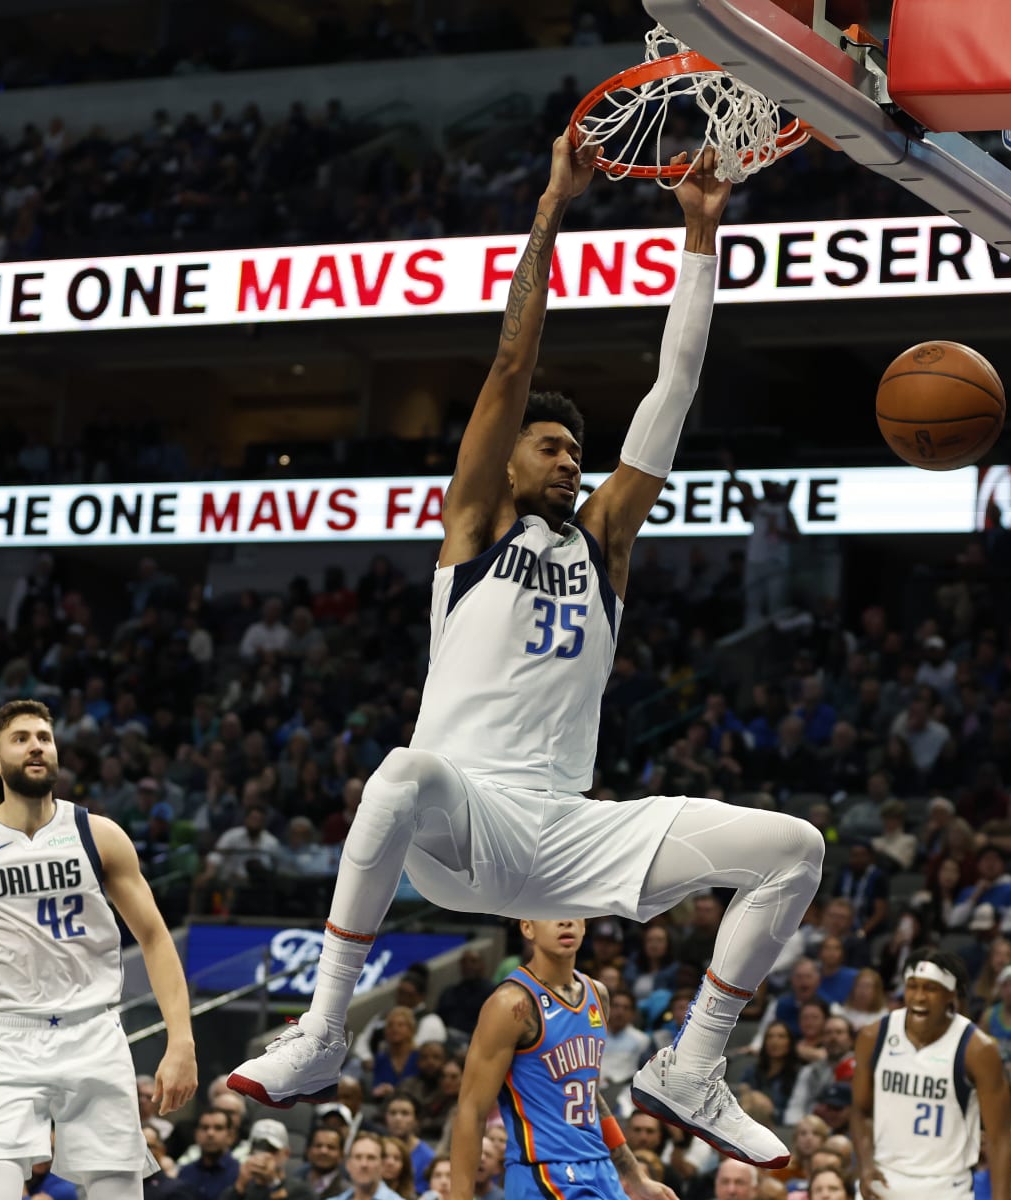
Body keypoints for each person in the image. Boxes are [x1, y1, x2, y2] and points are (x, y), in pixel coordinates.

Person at [230, 137, 822, 1171]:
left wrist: (700, 238)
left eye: (574, 451)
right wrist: (551, 204)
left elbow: (672, 395)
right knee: (402, 770)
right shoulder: (472, 530)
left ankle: (693, 1067)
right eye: (551, 447)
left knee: (795, 850)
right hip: (461, 817)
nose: (569, 458)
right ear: (507, 462)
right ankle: (324, 1028)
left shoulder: (606, 547)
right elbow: (513, 363)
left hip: (564, 831)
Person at [0, 699, 200, 1199]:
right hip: (3, 1040)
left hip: (93, 1032)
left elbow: (156, 938)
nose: (36, 745)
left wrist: (181, 1040)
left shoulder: (98, 835)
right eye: (20, 738)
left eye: (44, 737)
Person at [451, 917, 677, 1200]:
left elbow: (591, 1097)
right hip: (543, 1173)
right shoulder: (511, 1003)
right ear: (527, 927)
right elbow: (471, 1109)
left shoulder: (597, 994)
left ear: (584, 926)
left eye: (574, 912)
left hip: (600, 1169)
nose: (565, 921)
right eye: (552, 912)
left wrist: (635, 1176)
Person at [853, 949, 1011, 1200]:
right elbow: (860, 1111)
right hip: (883, 1181)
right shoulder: (874, 1037)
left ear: (951, 995)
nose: (919, 997)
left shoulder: (977, 1049)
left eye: (931, 988)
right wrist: (864, 1165)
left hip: (946, 1187)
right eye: (912, 986)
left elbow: (1000, 1137)